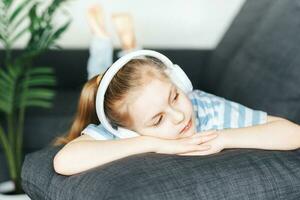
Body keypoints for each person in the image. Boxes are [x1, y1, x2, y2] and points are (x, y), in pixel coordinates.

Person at [52, 7, 300, 177]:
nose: (180, 116)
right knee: (96, 74)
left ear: (180, 81)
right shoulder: (125, 135)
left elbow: (293, 133)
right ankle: (105, 41)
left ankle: (128, 47)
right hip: (118, 111)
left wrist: (224, 138)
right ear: (126, 131)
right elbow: (64, 161)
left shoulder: (203, 106)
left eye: (175, 96)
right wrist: (153, 143)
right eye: (158, 119)